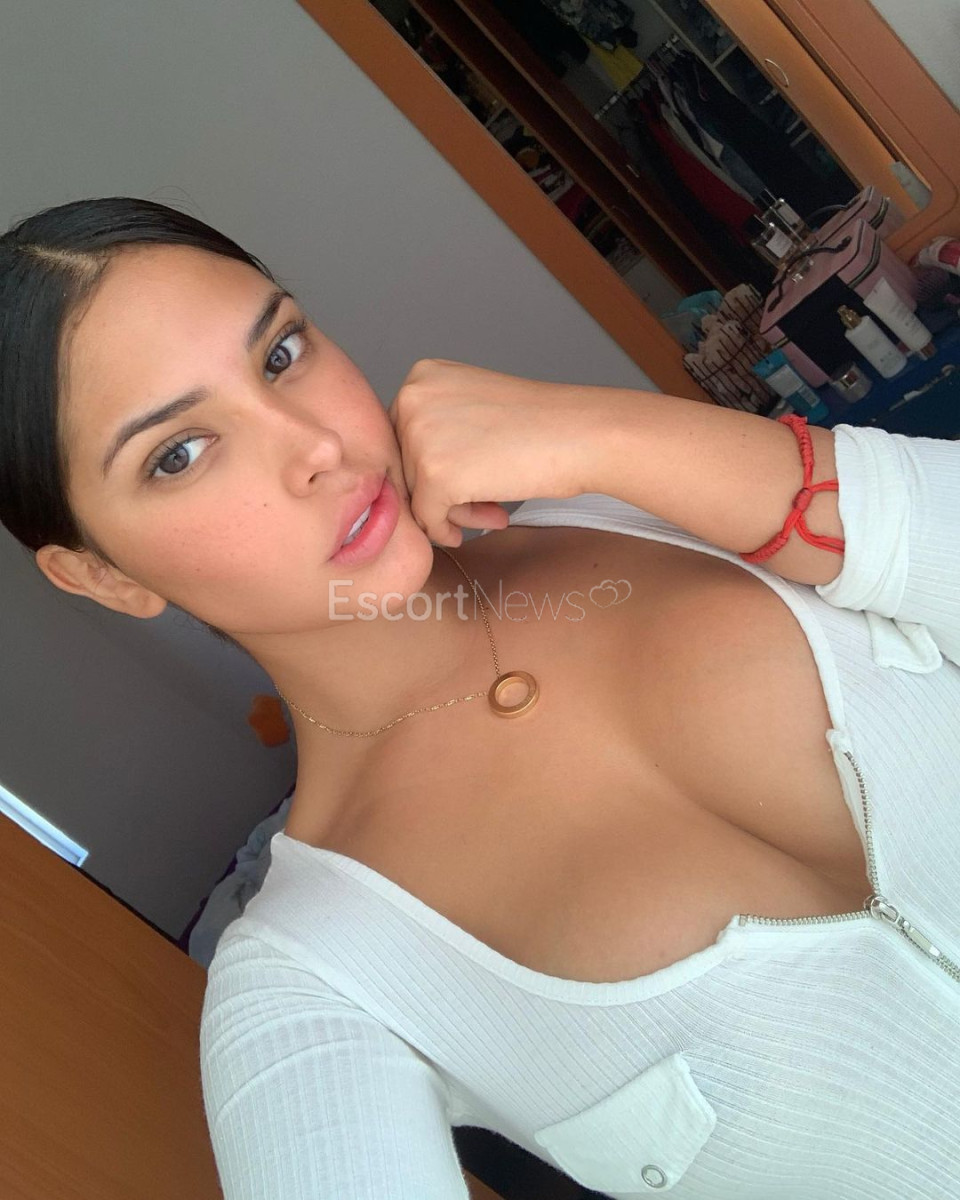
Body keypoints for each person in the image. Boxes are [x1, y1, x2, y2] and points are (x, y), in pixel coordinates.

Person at [1, 196, 957, 1200]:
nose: (313, 445)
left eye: (280, 354)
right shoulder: (312, 982)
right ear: (102, 576)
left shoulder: (643, 493)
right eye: (178, 454)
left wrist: (615, 432)